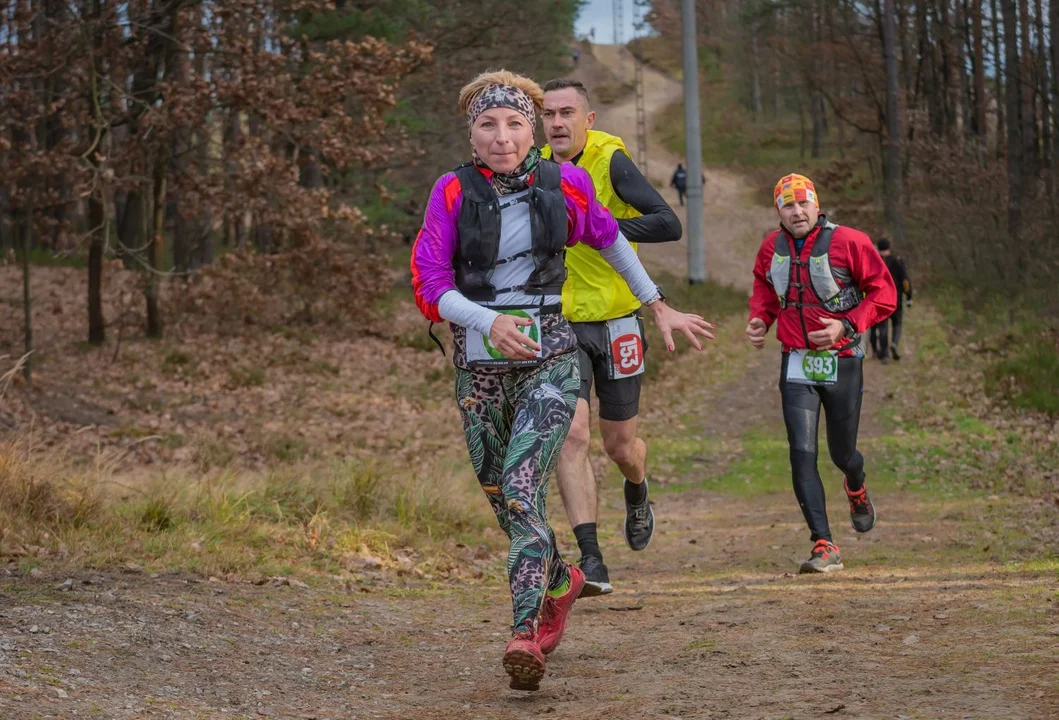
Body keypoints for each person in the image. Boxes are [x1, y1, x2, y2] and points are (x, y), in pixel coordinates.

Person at [411, 70, 714, 691]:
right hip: (478, 363)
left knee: (523, 484)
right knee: (501, 494)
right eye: (487, 125)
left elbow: (611, 242)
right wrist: (488, 321)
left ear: (532, 132)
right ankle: (558, 579)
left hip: (551, 352)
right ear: (471, 134)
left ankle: (526, 631)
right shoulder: (450, 192)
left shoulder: (565, 182)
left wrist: (656, 305)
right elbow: (428, 284)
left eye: (515, 124)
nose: (502, 137)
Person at [541, 78, 683, 596]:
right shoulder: (534, 170)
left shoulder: (610, 161)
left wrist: (601, 227)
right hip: (562, 324)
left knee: (619, 445)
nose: (557, 123)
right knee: (571, 436)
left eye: (567, 113)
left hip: (621, 319)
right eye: (549, 114)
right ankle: (592, 559)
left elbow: (668, 224)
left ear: (589, 119)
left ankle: (637, 488)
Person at [745, 173, 896, 573]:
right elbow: (765, 287)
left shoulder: (850, 242)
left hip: (843, 359)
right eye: (787, 205)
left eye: (803, 203)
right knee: (802, 453)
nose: (797, 212)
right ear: (778, 210)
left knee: (841, 453)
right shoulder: (770, 247)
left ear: (817, 205)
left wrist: (846, 325)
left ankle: (856, 484)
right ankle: (824, 542)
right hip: (796, 360)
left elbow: (885, 293)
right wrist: (761, 318)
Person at [869, 237, 913, 363]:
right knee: (897, 323)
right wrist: (909, 297)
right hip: (896, 299)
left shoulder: (874, 262)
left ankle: (884, 355)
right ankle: (894, 343)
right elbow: (905, 281)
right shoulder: (897, 261)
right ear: (889, 247)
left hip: (880, 300)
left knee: (882, 327)